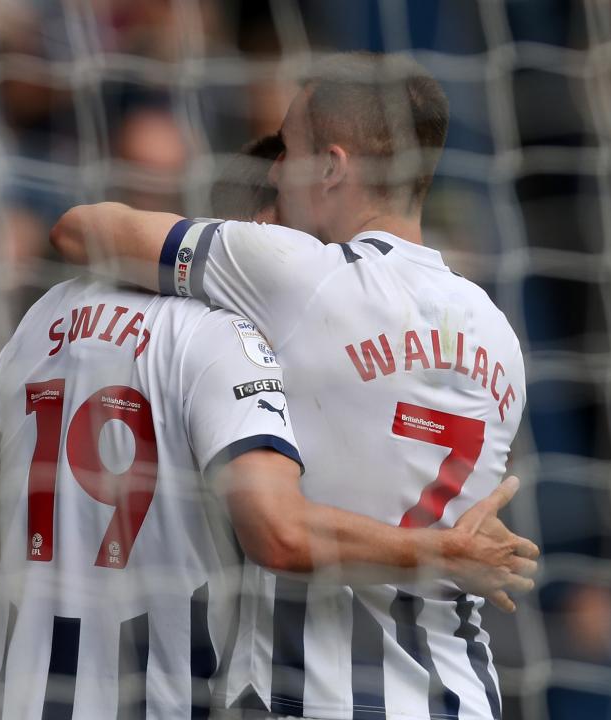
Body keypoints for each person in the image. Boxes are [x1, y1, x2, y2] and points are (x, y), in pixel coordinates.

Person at [50, 52, 530, 719]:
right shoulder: (498, 333)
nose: (275, 169)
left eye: (289, 149)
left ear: (331, 167)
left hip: (316, 698)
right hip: (462, 695)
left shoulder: (299, 273)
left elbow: (82, 229)